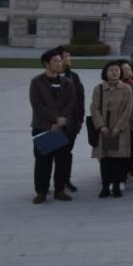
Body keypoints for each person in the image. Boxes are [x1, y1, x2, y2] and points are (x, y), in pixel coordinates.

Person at [29, 49, 75, 204]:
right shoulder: (37, 82)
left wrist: (61, 120)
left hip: (62, 127)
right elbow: (37, 105)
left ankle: (59, 190)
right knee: (43, 161)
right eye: (56, 61)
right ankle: (41, 192)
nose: (59, 63)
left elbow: (71, 103)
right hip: (44, 127)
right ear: (46, 64)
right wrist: (55, 119)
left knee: (62, 160)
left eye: (60, 60)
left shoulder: (67, 82)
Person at [90, 60, 133, 198]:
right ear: (105, 72)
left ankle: (116, 186)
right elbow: (94, 109)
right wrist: (102, 126)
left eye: (117, 70)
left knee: (118, 160)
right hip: (104, 129)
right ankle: (105, 187)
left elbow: (128, 110)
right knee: (105, 159)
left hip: (119, 130)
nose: (114, 73)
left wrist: (118, 127)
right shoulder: (99, 89)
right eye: (111, 70)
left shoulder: (127, 89)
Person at [57, 46, 84, 193]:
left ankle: (64, 181)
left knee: (66, 154)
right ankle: (43, 188)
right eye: (67, 56)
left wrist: (80, 120)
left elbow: (80, 99)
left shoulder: (74, 76)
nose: (69, 58)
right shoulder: (48, 77)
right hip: (53, 125)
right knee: (47, 156)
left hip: (71, 124)